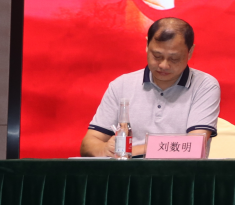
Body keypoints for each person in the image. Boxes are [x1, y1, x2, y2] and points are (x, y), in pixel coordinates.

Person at [80, 17, 219, 157]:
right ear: (147, 45)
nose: (164, 65)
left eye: (174, 58)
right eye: (157, 56)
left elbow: (194, 145)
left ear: (190, 52)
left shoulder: (204, 85)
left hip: (179, 170)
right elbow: (88, 143)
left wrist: (131, 150)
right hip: (127, 170)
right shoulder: (121, 85)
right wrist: (104, 149)